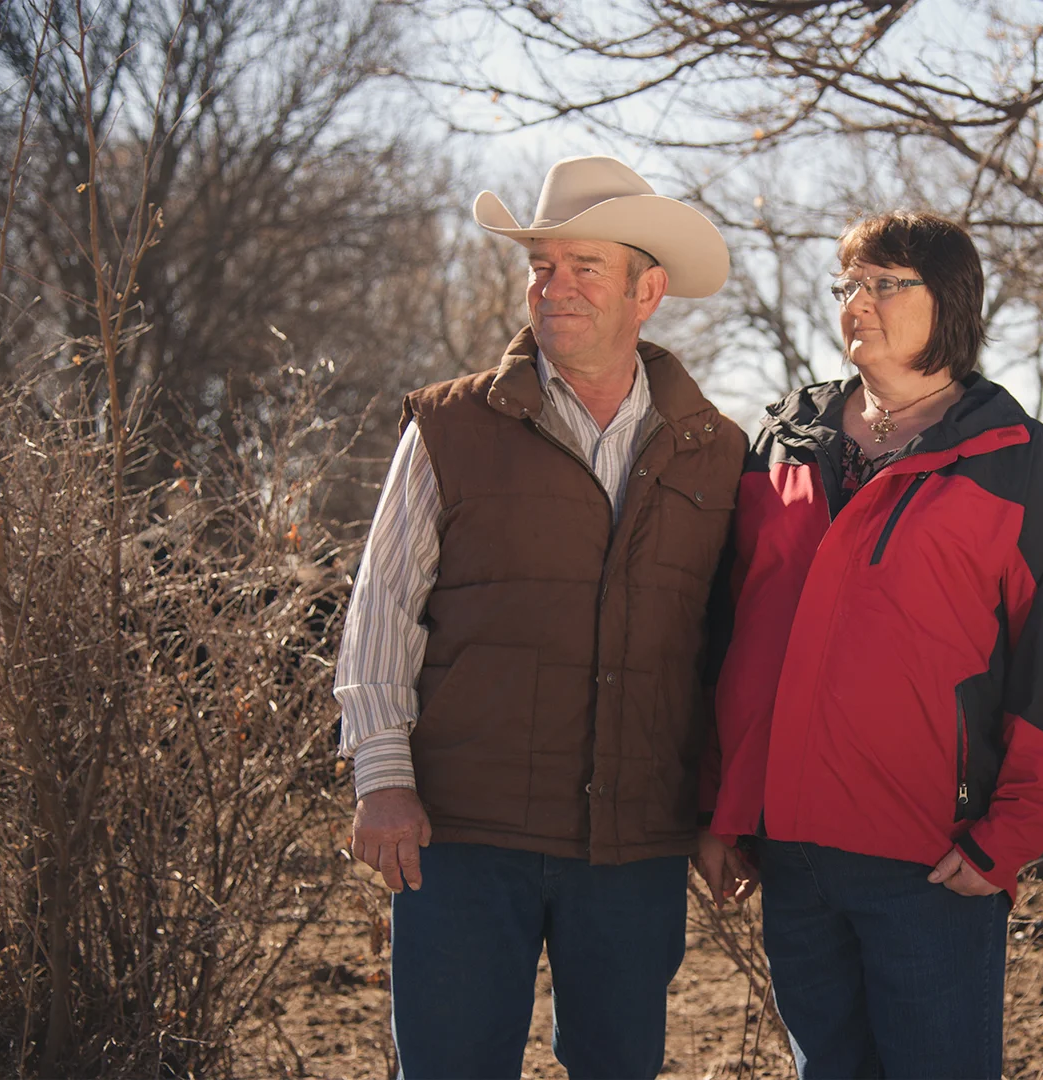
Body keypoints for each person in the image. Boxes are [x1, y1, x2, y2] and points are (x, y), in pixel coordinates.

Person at [335, 155, 746, 1080]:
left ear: (648, 290)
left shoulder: (716, 451)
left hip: (634, 842)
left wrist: (726, 804)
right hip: (463, 832)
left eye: (582, 267)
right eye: (540, 266)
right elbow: (381, 609)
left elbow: (723, 649)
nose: (551, 288)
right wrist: (382, 776)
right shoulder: (449, 426)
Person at [701, 210, 1043, 1078]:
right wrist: (724, 806)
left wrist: (1008, 835)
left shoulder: (1017, 462)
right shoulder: (783, 442)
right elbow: (729, 636)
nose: (859, 303)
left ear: (952, 302)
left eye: (887, 284)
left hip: (933, 858)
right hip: (791, 850)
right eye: (849, 284)